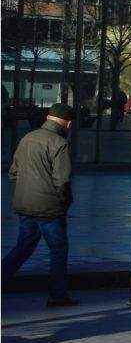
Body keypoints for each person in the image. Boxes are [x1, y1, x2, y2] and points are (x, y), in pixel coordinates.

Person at [3, 102, 78, 308]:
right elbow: (62, 181)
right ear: (68, 123)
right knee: (58, 249)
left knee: (23, 247)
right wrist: (64, 202)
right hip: (49, 208)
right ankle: (57, 294)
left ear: (48, 117)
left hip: (24, 205)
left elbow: (13, 173)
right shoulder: (59, 143)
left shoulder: (27, 138)